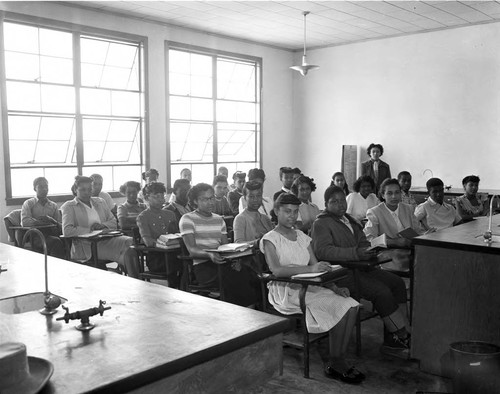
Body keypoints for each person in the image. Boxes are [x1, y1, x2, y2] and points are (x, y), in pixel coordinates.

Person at [261, 193, 363, 383]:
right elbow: (276, 269)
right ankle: (336, 361)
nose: (292, 216)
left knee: (352, 305)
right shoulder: (270, 239)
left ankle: (338, 358)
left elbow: (318, 268)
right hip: (288, 290)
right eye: (286, 211)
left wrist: (333, 286)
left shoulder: (301, 236)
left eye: (295, 211)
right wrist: (310, 269)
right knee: (340, 307)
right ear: (276, 211)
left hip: (310, 286)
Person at [311, 186, 411, 358]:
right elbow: (322, 251)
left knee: (397, 282)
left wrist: (369, 250)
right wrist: (355, 253)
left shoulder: (349, 220)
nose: (340, 205)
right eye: (334, 202)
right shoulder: (321, 223)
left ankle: (397, 334)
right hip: (340, 273)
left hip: (361, 267)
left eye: (342, 200)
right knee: (381, 292)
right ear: (326, 204)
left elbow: (363, 241)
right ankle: (400, 335)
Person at [179, 183, 259, 307]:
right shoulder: (187, 219)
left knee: (250, 273)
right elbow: (192, 249)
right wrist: (209, 255)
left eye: (211, 198)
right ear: (195, 201)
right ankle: (240, 311)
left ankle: (252, 309)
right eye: (204, 199)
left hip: (222, 261)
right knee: (234, 277)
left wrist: (234, 258)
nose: (210, 202)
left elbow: (225, 247)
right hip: (203, 266)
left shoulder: (219, 219)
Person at [61, 176, 140, 278]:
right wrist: (90, 230)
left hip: (107, 238)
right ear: (75, 190)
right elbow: (67, 231)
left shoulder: (100, 201)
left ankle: (134, 280)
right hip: (87, 246)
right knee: (128, 251)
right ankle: (136, 280)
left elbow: (113, 222)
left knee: (131, 242)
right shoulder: (69, 206)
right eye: (82, 190)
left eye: (89, 189)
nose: (87, 192)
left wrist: (102, 226)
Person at [364, 178, 423, 272]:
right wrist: (394, 242)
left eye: (397, 192)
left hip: (410, 249)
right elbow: (369, 239)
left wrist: (427, 235)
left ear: (401, 194)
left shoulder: (408, 208)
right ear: (383, 195)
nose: (394, 196)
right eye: (389, 193)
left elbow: (418, 231)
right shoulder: (375, 212)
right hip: (389, 252)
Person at [136, 182, 181, 287]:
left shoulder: (170, 214)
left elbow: (177, 234)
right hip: (157, 257)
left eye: (163, 196)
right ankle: (177, 288)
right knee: (177, 263)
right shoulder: (143, 217)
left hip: (174, 252)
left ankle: (187, 288)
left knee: (186, 259)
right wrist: (164, 244)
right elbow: (147, 241)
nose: (161, 199)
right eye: (157, 197)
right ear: (147, 198)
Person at [20, 177, 65, 259]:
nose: (44, 189)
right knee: (56, 242)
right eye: (40, 187)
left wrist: (51, 220)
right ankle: (57, 268)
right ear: (35, 188)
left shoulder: (53, 205)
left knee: (68, 240)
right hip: (36, 236)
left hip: (53, 233)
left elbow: (60, 224)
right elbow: (25, 222)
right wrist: (42, 222)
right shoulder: (29, 203)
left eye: (46, 186)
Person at [234, 181, 274, 248]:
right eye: (251, 196)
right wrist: (257, 242)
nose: (255, 200)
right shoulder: (240, 218)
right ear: (245, 198)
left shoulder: (265, 218)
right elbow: (238, 244)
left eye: (258, 196)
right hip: (251, 257)